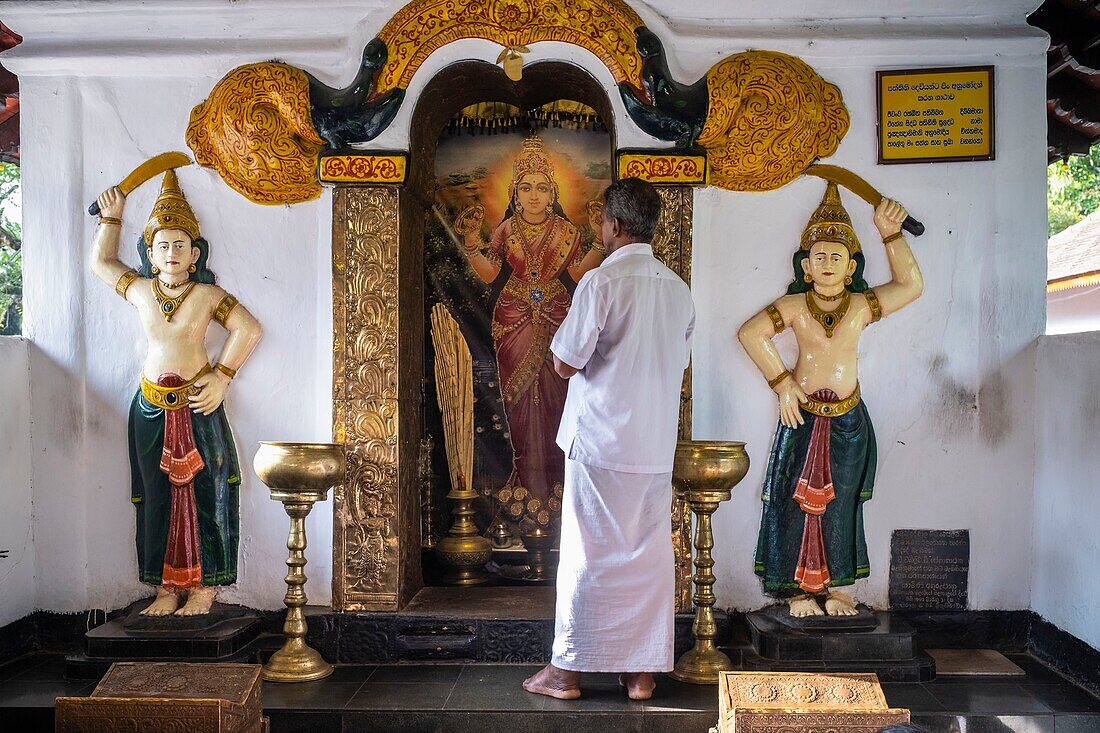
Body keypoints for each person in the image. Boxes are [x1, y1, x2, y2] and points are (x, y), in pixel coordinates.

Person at [522, 176, 695, 701]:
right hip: (652, 445)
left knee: (587, 552)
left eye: (601, 222)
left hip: (601, 442)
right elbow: (677, 364)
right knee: (647, 554)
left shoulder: (601, 282)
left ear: (614, 226)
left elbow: (564, 361)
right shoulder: (678, 290)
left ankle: (567, 671)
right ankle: (641, 673)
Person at [738, 182, 922, 617]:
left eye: (835, 256)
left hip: (848, 419)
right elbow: (750, 333)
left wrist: (890, 234)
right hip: (800, 415)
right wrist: (782, 382)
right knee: (790, 499)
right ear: (805, 266)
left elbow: (911, 285)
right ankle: (797, 591)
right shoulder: (795, 304)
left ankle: (840, 588)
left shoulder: (861, 305)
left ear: (851, 266)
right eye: (818, 256)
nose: (826, 263)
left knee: (842, 503)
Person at [91, 171, 262, 616]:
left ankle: (204, 587)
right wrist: (110, 220)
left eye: (180, 245)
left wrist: (222, 376)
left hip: (197, 401)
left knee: (209, 490)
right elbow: (101, 265)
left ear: (195, 254)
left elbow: (249, 328)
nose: (171, 253)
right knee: (154, 495)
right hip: (150, 406)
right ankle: (165, 586)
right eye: (162, 245)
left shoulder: (207, 295)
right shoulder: (142, 290)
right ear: (150, 252)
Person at [453, 136, 605, 543]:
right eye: (525, 187)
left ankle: (558, 496)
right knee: (519, 409)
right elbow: (489, 275)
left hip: (558, 317)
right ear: (514, 193)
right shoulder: (505, 230)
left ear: (553, 193)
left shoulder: (567, 232)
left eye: (541, 187)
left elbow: (574, 276)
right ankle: (525, 490)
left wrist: (595, 240)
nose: (533, 195)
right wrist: (470, 243)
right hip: (512, 320)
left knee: (557, 402)